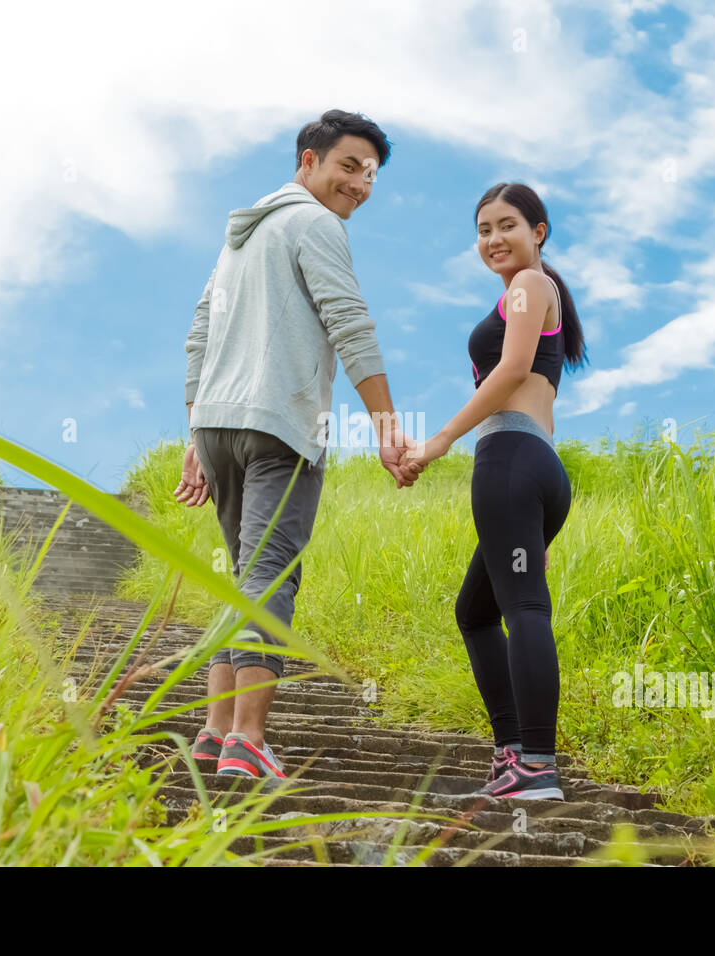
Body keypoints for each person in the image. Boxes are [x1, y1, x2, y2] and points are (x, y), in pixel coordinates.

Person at [174, 109, 421, 779]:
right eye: (349, 166)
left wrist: (194, 434)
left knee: (243, 577)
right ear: (306, 161)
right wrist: (387, 426)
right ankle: (249, 740)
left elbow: (199, 336)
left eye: (370, 175)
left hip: (219, 425)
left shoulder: (238, 239)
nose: (360, 185)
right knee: (272, 573)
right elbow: (349, 320)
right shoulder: (317, 225)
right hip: (277, 423)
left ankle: (216, 732)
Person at [406, 183, 586, 800]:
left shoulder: (531, 286)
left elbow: (512, 371)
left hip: (510, 460)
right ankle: (514, 755)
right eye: (483, 230)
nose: (493, 239)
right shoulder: (531, 295)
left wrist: (438, 442)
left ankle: (536, 765)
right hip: (532, 462)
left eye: (507, 225)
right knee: (477, 612)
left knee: (523, 608)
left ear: (539, 231)